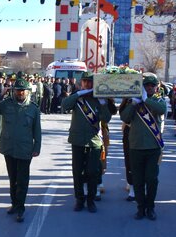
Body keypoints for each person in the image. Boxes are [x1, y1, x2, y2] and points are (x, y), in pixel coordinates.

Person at [0, 78, 41, 223]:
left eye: (23, 91)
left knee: (22, 180)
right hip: (9, 148)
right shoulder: (6, 104)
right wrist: (1, 94)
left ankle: (21, 208)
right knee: (13, 179)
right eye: (17, 90)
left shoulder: (33, 108)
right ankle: (14, 204)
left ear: (27, 92)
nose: (20, 93)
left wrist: (37, 148)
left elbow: (37, 131)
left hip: (25, 149)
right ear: (13, 91)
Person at [61, 72, 112, 212]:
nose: (87, 84)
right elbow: (64, 105)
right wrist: (77, 94)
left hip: (93, 141)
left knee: (92, 172)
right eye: (85, 82)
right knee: (77, 172)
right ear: (81, 83)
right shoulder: (77, 98)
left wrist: (103, 104)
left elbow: (106, 118)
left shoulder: (98, 99)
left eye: (90, 82)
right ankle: (79, 199)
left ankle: (90, 200)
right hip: (77, 140)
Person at [119, 73, 167, 220]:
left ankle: (150, 207)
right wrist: (133, 103)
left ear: (156, 87)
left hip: (153, 147)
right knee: (138, 180)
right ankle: (141, 208)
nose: (150, 88)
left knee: (152, 179)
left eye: (152, 86)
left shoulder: (158, 100)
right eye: (147, 86)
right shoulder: (134, 102)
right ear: (143, 87)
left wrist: (145, 99)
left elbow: (162, 109)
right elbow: (125, 117)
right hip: (136, 146)